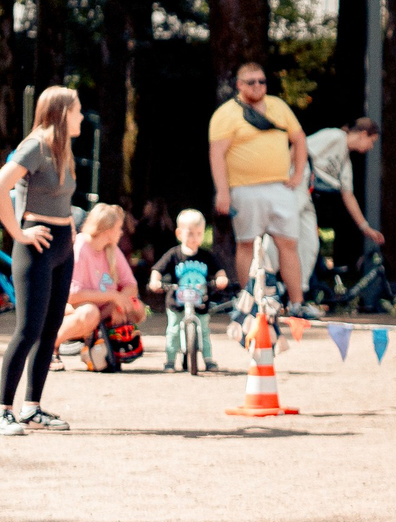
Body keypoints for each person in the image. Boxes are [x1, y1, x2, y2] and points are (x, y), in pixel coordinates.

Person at [1, 86, 84, 434]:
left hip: (63, 246)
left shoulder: (62, 149)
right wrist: (18, 234)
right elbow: (1, 185)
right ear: (63, 113)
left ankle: (32, 408)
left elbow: (61, 197)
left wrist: (71, 229)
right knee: (28, 330)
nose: (82, 117)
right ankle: (3, 409)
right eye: (78, 110)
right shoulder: (34, 145)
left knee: (50, 331)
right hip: (36, 246)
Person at [207, 62, 316, 318]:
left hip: (280, 187)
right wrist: (223, 191)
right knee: (246, 244)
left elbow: (299, 139)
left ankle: (297, 303)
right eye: (251, 82)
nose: (257, 86)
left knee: (288, 243)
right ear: (239, 85)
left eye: (262, 81)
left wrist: (298, 174)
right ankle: (249, 303)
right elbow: (217, 154)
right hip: (245, 189)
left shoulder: (278, 106)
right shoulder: (226, 114)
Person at [297, 116, 383, 289]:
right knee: (286, 235)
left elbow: (348, 195)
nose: (370, 147)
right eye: (371, 141)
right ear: (363, 134)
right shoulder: (335, 136)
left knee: (310, 244)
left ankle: (299, 292)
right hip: (297, 186)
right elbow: (301, 148)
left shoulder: (345, 161)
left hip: (308, 196)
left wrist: (365, 227)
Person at [59, 204, 144, 364]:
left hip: (103, 308)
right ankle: (50, 347)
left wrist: (117, 305)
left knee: (137, 308)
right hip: (74, 307)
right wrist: (113, 296)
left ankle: (100, 346)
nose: (121, 232)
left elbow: (131, 286)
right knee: (90, 313)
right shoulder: (81, 246)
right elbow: (72, 295)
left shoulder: (111, 248)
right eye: (119, 228)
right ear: (107, 230)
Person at [149, 209, 229, 372]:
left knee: (204, 329)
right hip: (177, 302)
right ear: (179, 234)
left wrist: (221, 279)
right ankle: (170, 360)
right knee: (173, 330)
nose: (195, 238)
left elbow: (219, 271)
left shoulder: (206, 256)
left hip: (200, 301)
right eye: (190, 233)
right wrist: (155, 281)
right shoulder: (174, 255)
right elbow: (158, 269)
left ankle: (208, 359)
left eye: (199, 233)